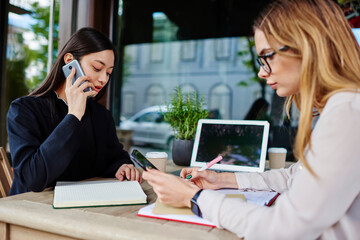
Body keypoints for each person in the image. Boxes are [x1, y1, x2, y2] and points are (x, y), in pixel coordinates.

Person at [143, 0, 360, 239]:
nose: (262, 72)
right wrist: (222, 180)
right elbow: (294, 177)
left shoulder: (348, 111)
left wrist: (193, 198)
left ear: (306, 45)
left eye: (267, 56)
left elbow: (287, 228)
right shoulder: (343, 106)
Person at [7, 28, 141, 196]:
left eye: (108, 73)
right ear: (70, 61)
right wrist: (73, 116)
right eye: (97, 68)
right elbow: (33, 178)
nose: (104, 79)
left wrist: (122, 166)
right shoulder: (24, 110)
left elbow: (114, 157)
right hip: (31, 212)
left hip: (83, 209)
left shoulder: (100, 115)